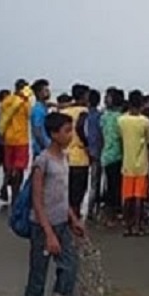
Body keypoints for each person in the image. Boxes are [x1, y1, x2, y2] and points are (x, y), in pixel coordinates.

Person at [22, 112, 87, 296]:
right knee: (38, 275)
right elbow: (37, 201)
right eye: (66, 131)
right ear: (53, 134)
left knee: (69, 269)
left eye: (71, 130)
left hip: (62, 223)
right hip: (42, 227)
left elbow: (63, 195)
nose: (70, 135)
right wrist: (49, 233)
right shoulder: (42, 161)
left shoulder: (65, 158)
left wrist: (73, 218)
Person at [118, 90, 149, 237]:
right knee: (139, 196)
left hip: (127, 162)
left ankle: (127, 226)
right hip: (142, 162)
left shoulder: (121, 120)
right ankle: (138, 226)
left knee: (127, 197)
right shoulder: (145, 121)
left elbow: (120, 138)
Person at [59, 85, 91, 222]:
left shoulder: (63, 112)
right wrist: (87, 145)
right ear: (84, 96)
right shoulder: (84, 112)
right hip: (80, 155)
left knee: (67, 191)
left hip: (64, 155)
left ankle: (66, 216)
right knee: (78, 192)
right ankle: (75, 217)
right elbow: (83, 130)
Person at [0, 80, 32, 204]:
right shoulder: (24, 102)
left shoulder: (7, 100)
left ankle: (5, 183)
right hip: (21, 139)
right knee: (19, 168)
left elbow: (2, 111)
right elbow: (29, 115)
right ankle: (15, 194)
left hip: (8, 138)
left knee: (8, 166)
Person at [101, 88, 125, 218]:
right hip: (117, 154)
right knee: (116, 185)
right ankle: (115, 211)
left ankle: (110, 211)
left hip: (106, 154)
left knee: (110, 184)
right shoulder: (119, 118)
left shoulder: (104, 116)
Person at [85, 89, 104, 216]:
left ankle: (91, 208)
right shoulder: (99, 116)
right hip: (98, 151)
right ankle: (93, 208)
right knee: (97, 181)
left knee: (94, 181)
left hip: (90, 151)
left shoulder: (87, 116)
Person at [29, 79, 52, 157]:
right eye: (46, 90)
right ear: (39, 93)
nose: (49, 92)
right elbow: (37, 131)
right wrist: (47, 146)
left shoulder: (44, 107)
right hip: (40, 150)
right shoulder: (38, 110)